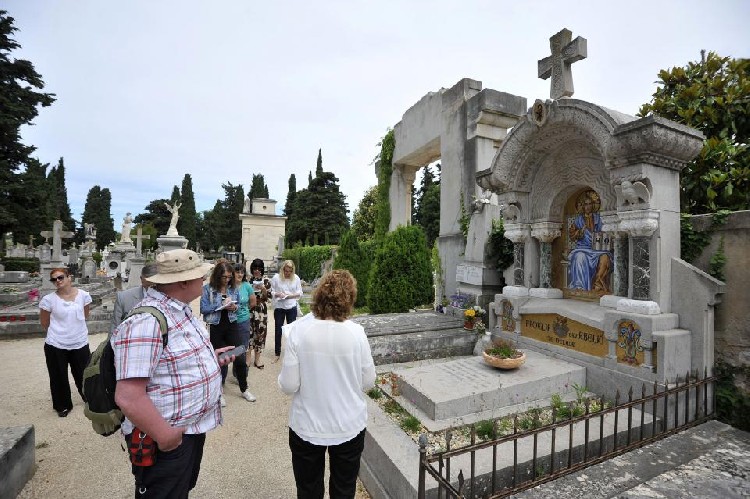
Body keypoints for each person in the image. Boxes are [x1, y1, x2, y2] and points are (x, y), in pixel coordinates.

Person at [111, 249, 238, 498]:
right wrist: (166, 436)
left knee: (180, 490)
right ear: (182, 282)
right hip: (165, 437)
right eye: (199, 276)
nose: (203, 280)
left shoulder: (179, 310)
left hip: (187, 430)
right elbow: (128, 396)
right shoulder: (146, 322)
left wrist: (211, 359)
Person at [278, 270, 376, 498]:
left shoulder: (299, 330)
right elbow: (368, 382)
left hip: (307, 424)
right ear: (350, 298)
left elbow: (289, 385)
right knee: (344, 488)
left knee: (308, 489)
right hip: (348, 424)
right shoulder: (357, 333)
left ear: (320, 294)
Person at [39, 267, 92, 417]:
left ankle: (89, 397)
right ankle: (62, 405)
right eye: (54, 279)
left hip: (79, 341)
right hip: (56, 343)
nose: (57, 281)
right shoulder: (48, 300)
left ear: (70, 277)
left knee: (84, 373)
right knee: (58, 376)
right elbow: (44, 322)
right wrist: (60, 332)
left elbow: (85, 315)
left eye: (60, 277)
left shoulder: (84, 296)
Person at [200, 261, 255, 404]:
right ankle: (219, 392)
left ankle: (244, 388)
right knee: (221, 360)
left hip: (232, 325)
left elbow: (237, 306)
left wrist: (234, 307)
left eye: (229, 277)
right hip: (216, 326)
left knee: (240, 357)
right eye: (224, 277)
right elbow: (203, 309)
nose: (227, 280)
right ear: (217, 276)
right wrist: (220, 305)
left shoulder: (233, 288)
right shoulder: (207, 289)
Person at [567, 190, 612, 293]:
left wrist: (601, 234)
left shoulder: (599, 219)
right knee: (579, 257)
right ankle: (580, 286)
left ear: (593, 205)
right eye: (585, 204)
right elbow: (572, 236)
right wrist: (579, 232)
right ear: (582, 206)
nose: (587, 206)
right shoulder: (578, 220)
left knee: (605, 258)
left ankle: (598, 284)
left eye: (590, 204)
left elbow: (606, 233)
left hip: (597, 249)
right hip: (582, 248)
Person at [270, 259, 303, 363]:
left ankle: (291, 353)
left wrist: (289, 296)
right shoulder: (276, 278)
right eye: (286, 271)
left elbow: (300, 293)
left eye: (290, 271)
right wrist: (277, 294)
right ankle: (277, 353)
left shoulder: (296, 278)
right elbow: (272, 291)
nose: (287, 273)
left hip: (291, 306)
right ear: (282, 269)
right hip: (279, 306)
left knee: (291, 331)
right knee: (278, 331)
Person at [111, 262, 158, 332]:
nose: (151, 289)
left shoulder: (169, 297)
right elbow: (115, 327)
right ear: (141, 279)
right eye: (148, 285)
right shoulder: (124, 297)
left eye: (154, 285)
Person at [231, 262, 256, 380]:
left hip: (243, 320)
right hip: (230, 321)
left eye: (242, 272)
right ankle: (234, 369)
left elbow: (253, 303)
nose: (240, 274)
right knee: (232, 347)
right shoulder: (229, 286)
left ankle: (242, 375)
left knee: (242, 348)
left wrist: (243, 311)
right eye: (237, 272)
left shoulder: (247, 286)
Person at [249, 258, 271, 369]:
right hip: (250, 309)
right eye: (254, 268)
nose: (257, 271)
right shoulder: (248, 280)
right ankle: (247, 359)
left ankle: (257, 360)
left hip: (261, 310)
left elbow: (269, 298)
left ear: (262, 269)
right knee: (249, 333)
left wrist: (263, 289)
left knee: (260, 333)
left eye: (259, 268)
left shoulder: (266, 281)